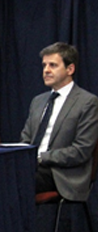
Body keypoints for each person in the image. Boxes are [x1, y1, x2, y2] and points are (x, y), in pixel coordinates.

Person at [21, 42, 98, 200]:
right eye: (44, 65)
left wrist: (42, 157)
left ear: (70, 69)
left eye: (53, 65)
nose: (46, 70)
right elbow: (26, 139)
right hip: (33, 167)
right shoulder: (38, 101)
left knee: (13, 183)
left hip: (62, 175)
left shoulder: (87, 102)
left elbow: (81, 150)